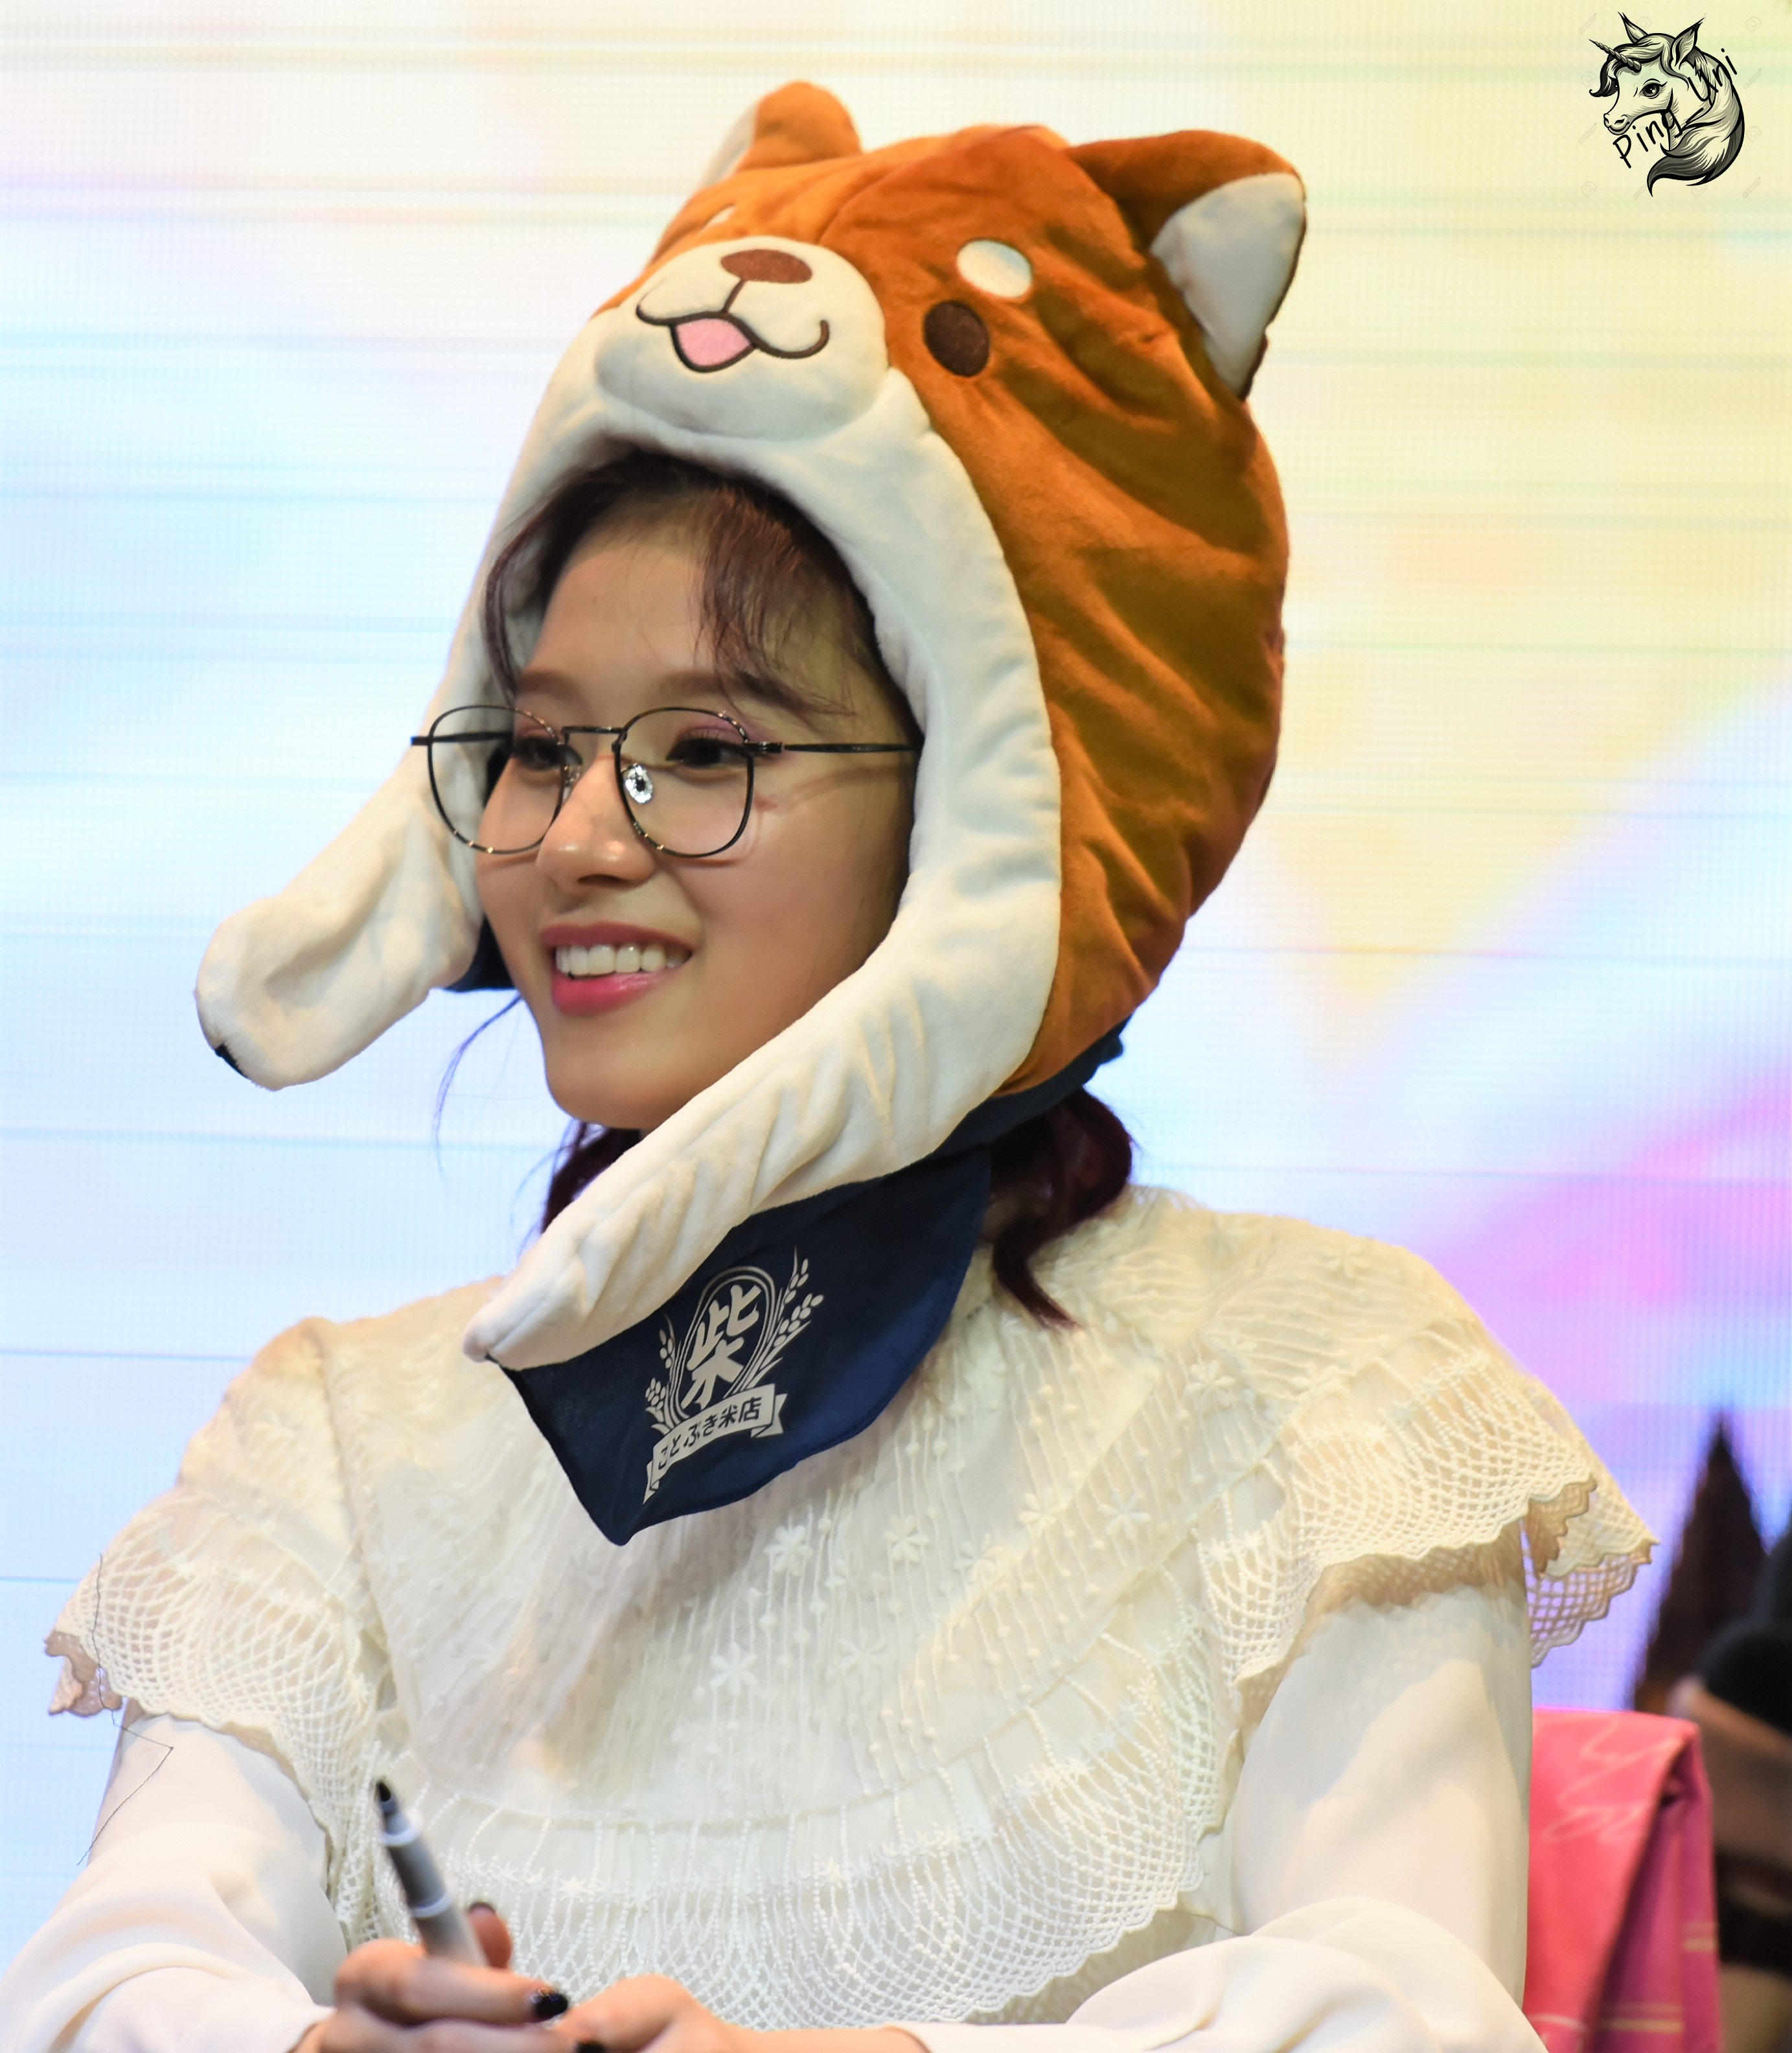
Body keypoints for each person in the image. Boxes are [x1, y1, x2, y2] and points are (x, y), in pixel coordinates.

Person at [1, 84, 1653, 2053]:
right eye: (534, 748)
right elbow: (111, 1977)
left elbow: (1408, 2015)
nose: (579, 840)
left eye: (709, 752)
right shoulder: (346, 1445)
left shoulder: (1318, 1393)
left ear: (976, 812)